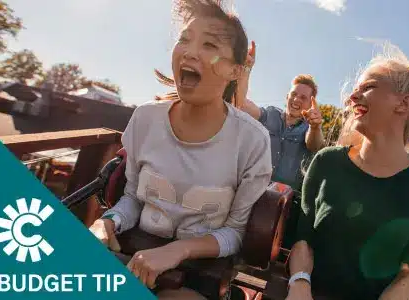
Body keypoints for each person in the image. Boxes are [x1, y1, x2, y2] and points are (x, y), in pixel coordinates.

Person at [88, 1, 272, 299]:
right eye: (184, 39)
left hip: (200, 274)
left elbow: (235, 232)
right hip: (131, 253)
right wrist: (107, 222)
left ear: (236, 70)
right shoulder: (145, 118)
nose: (190, 51)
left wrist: (179, 250)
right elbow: (133, 198)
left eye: (209, 44)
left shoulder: (253, 140)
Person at [286, 45, 409, 300]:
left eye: (368, 87)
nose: (353, 97)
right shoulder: (327, 162)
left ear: (403, 103)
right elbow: (303, 239)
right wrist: (299, 284)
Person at [234, 43, 326, 192]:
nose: (296, 100)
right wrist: (246, 69)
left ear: (310, 103)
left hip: (285, 203)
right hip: (251, 190)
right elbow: (241, 104)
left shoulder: (309, 129)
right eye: (294, 94)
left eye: (303, 98)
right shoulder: (270, 114)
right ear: (287, 96)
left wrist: (315, 126)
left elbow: (315, 145)